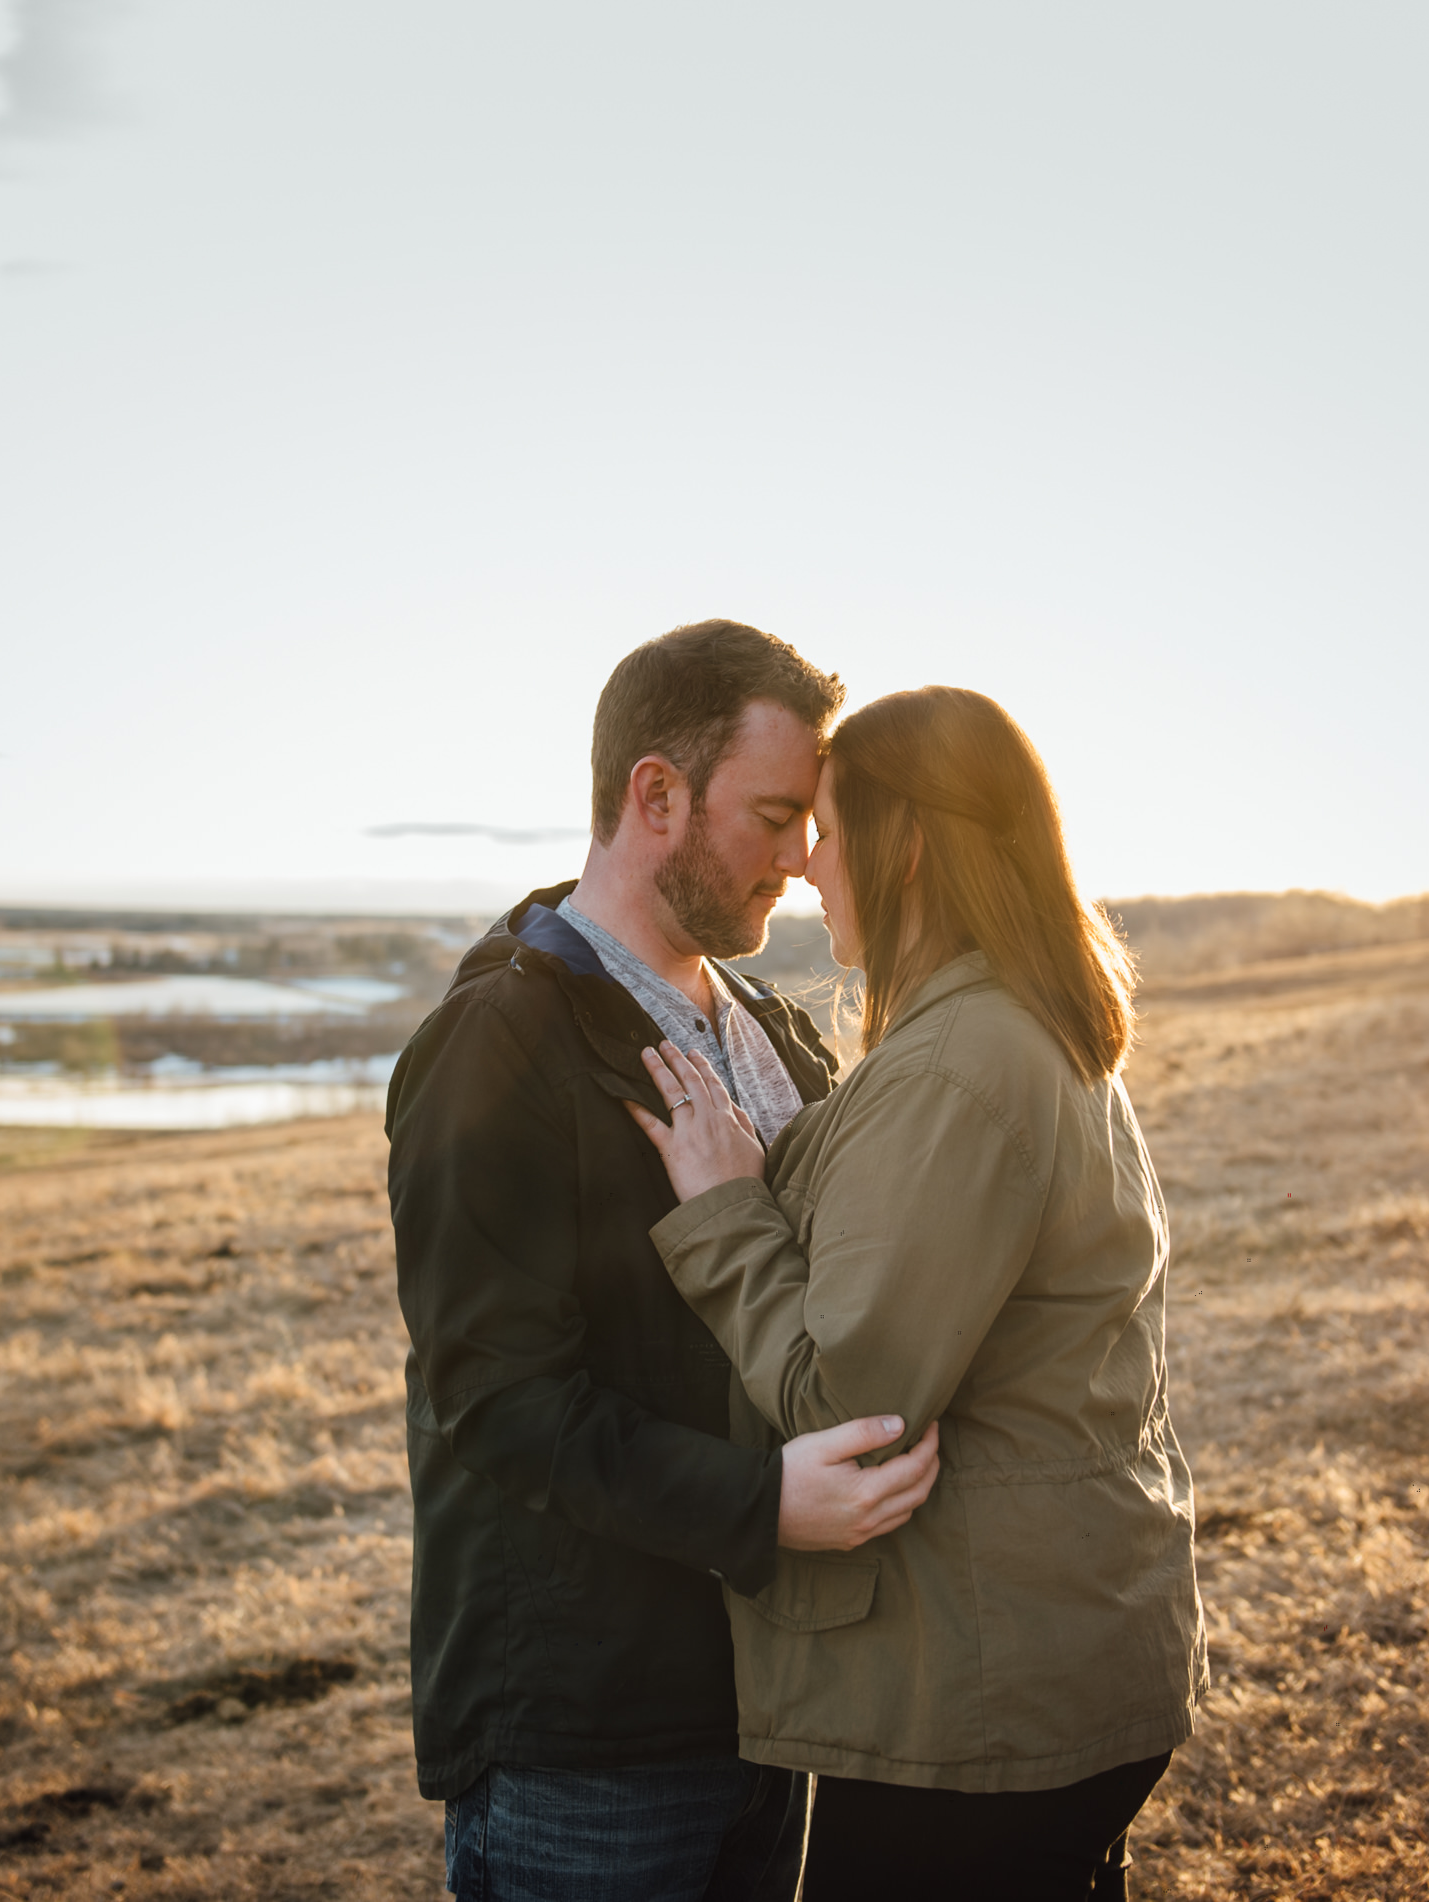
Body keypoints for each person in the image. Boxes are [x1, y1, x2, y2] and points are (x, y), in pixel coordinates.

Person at [386, 620, 945, 1902]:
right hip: (585, 1736)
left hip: (769, 1698)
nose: (803, 859)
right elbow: (496, 1401)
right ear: (655, 795)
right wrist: (763, 1509)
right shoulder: (495, 1045)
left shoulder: (776, 1035)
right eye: (773, 815)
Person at [627, 685, 1208, 1901]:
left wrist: (723, 1210)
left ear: (913, 845)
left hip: (981, 1702)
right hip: (1041, 1656)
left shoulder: (959, 1065)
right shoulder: (996, 1026)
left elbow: (847, 1400)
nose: (804, 864)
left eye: (830, 830)